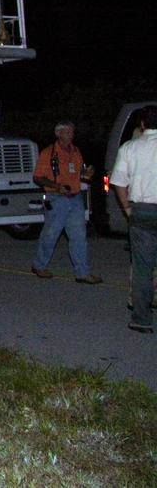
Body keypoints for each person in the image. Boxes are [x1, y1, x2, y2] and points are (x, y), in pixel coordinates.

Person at [30, 121, 101, 283]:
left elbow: (80, 174)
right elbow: (37, 177)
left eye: (72, 132)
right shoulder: (49, 153)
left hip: (75, 198)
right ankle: (39, 265)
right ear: (58, 134)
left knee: (79, 236)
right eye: (67, 132)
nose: (71, 135)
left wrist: (87, 174)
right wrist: (56, 186)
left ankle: (82, 272)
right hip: (56, 199)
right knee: (51, 234)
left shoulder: (76, 151)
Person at [112, 105, 157, 333]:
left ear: (142, 124)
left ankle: (142, 319)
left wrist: (127, 207)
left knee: (142, 268)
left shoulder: (130, 147)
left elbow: (119, 182)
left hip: (142, 211)